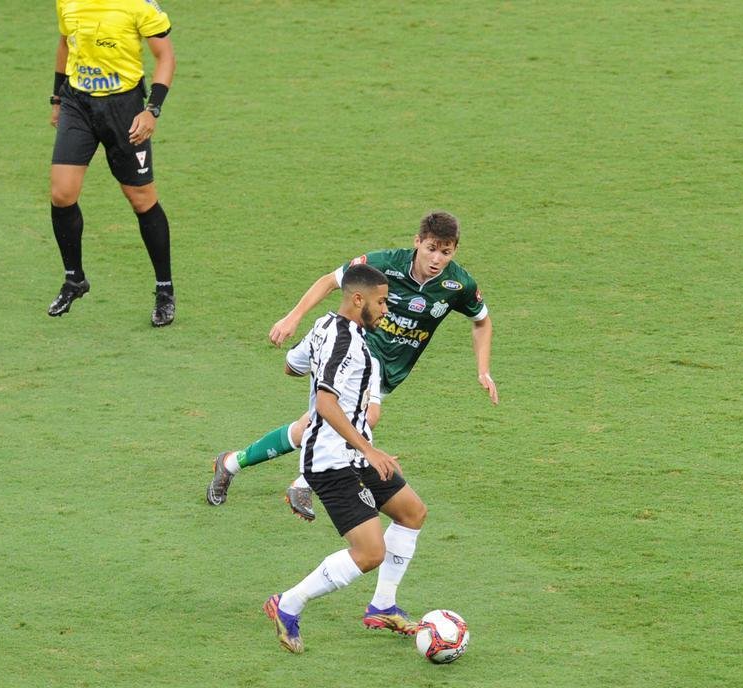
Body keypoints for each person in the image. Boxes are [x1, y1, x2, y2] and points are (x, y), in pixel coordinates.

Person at [207, 211, 497, 519]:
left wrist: (483, 369)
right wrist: (292, 317)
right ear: (417, 242)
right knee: (366, 416)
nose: (437, 258)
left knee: (312, 424)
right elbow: (330, 281)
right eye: (431, 249)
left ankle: (230, 463)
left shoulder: (458, 284)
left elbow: (482, 322)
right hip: (356, 353)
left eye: (446, 252)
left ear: (455, 250)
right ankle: (304, 483)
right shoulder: (384, 264)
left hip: (389, 373)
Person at [264, 264, 429, 653]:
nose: (386, 310)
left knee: (412, 512)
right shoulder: (346, 343)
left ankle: (382, 605)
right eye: (382, 301)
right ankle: (288, 605)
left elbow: (293, 365)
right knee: (370, 552)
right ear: (359, 300)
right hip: (331, 461)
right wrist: (368, 449)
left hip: (355, 455)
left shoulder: (324, 326)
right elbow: (325, 401)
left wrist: (369, 449)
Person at [47, 0, 177, 327]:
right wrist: (57, 99)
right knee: (62, 194)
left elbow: (166, 56)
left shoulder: (139, 6)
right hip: (78, 104)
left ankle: (165, 290)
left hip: (125, 108)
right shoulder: (68, 2)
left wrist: (153, 110)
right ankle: (74, 279)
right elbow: (65, 43)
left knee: (141, 199)